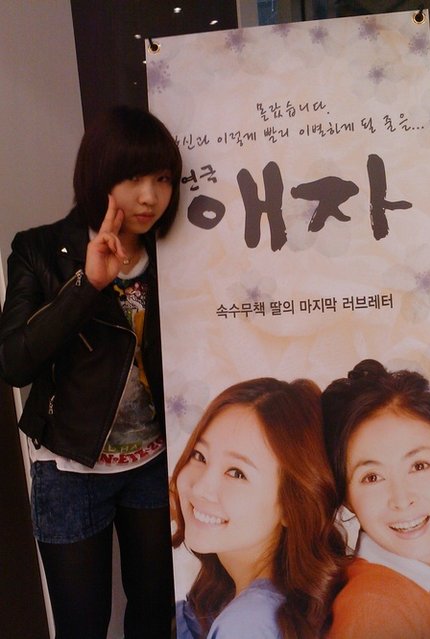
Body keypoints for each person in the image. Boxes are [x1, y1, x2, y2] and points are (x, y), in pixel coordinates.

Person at [0, 105, 182, 639]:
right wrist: (88, 284)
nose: (149, 197)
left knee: (154, 613)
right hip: (70, 469)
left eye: (162, 179)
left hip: (153, 464)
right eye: (133, 178)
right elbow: (14, 362)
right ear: (99, 176)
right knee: (83, 626)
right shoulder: (37, 248)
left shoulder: (176, 254)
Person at [171, 377, 346, 639]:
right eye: (199, 456)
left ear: (291, 506)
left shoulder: (247, 625)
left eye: (236, 473)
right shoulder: (260, 600)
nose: (200, 488)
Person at [321, 359, 430, 639]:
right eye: (372, 477)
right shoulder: (374, 615)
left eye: (419, 466)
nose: (401, 500)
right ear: (347, 497)